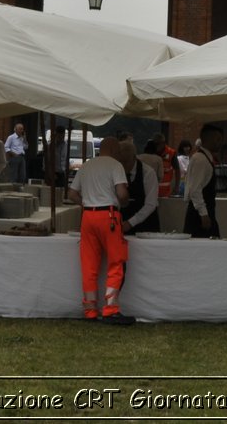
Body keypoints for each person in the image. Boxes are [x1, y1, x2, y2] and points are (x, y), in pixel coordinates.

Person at [68, 138, 133, 323]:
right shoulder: (115, 165)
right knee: (116, 261)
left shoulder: (86, 166)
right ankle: (111, 309)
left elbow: (71, 194)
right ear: (113, 148)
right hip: (109, 216)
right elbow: (121, 194)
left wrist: (88, 202)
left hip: (88, 217)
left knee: (89, 265)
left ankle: (90, 311)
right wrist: (125, 201)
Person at [183, 123, 224, 239]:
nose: (220, 143)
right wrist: (203, 214)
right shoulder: (200, 159)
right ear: (208, 138)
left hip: (205, 211)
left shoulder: (205, 158)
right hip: (199, 215)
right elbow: (195, 189)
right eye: (218, 139)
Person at [119, 136, 160, 235]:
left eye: (126, 162)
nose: (123, 165)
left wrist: (131, 222)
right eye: (121, 162)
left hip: (146, 225)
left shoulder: (148, 173)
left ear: (134, 157)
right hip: (122, 224)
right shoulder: (116, 171)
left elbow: (151, 204)